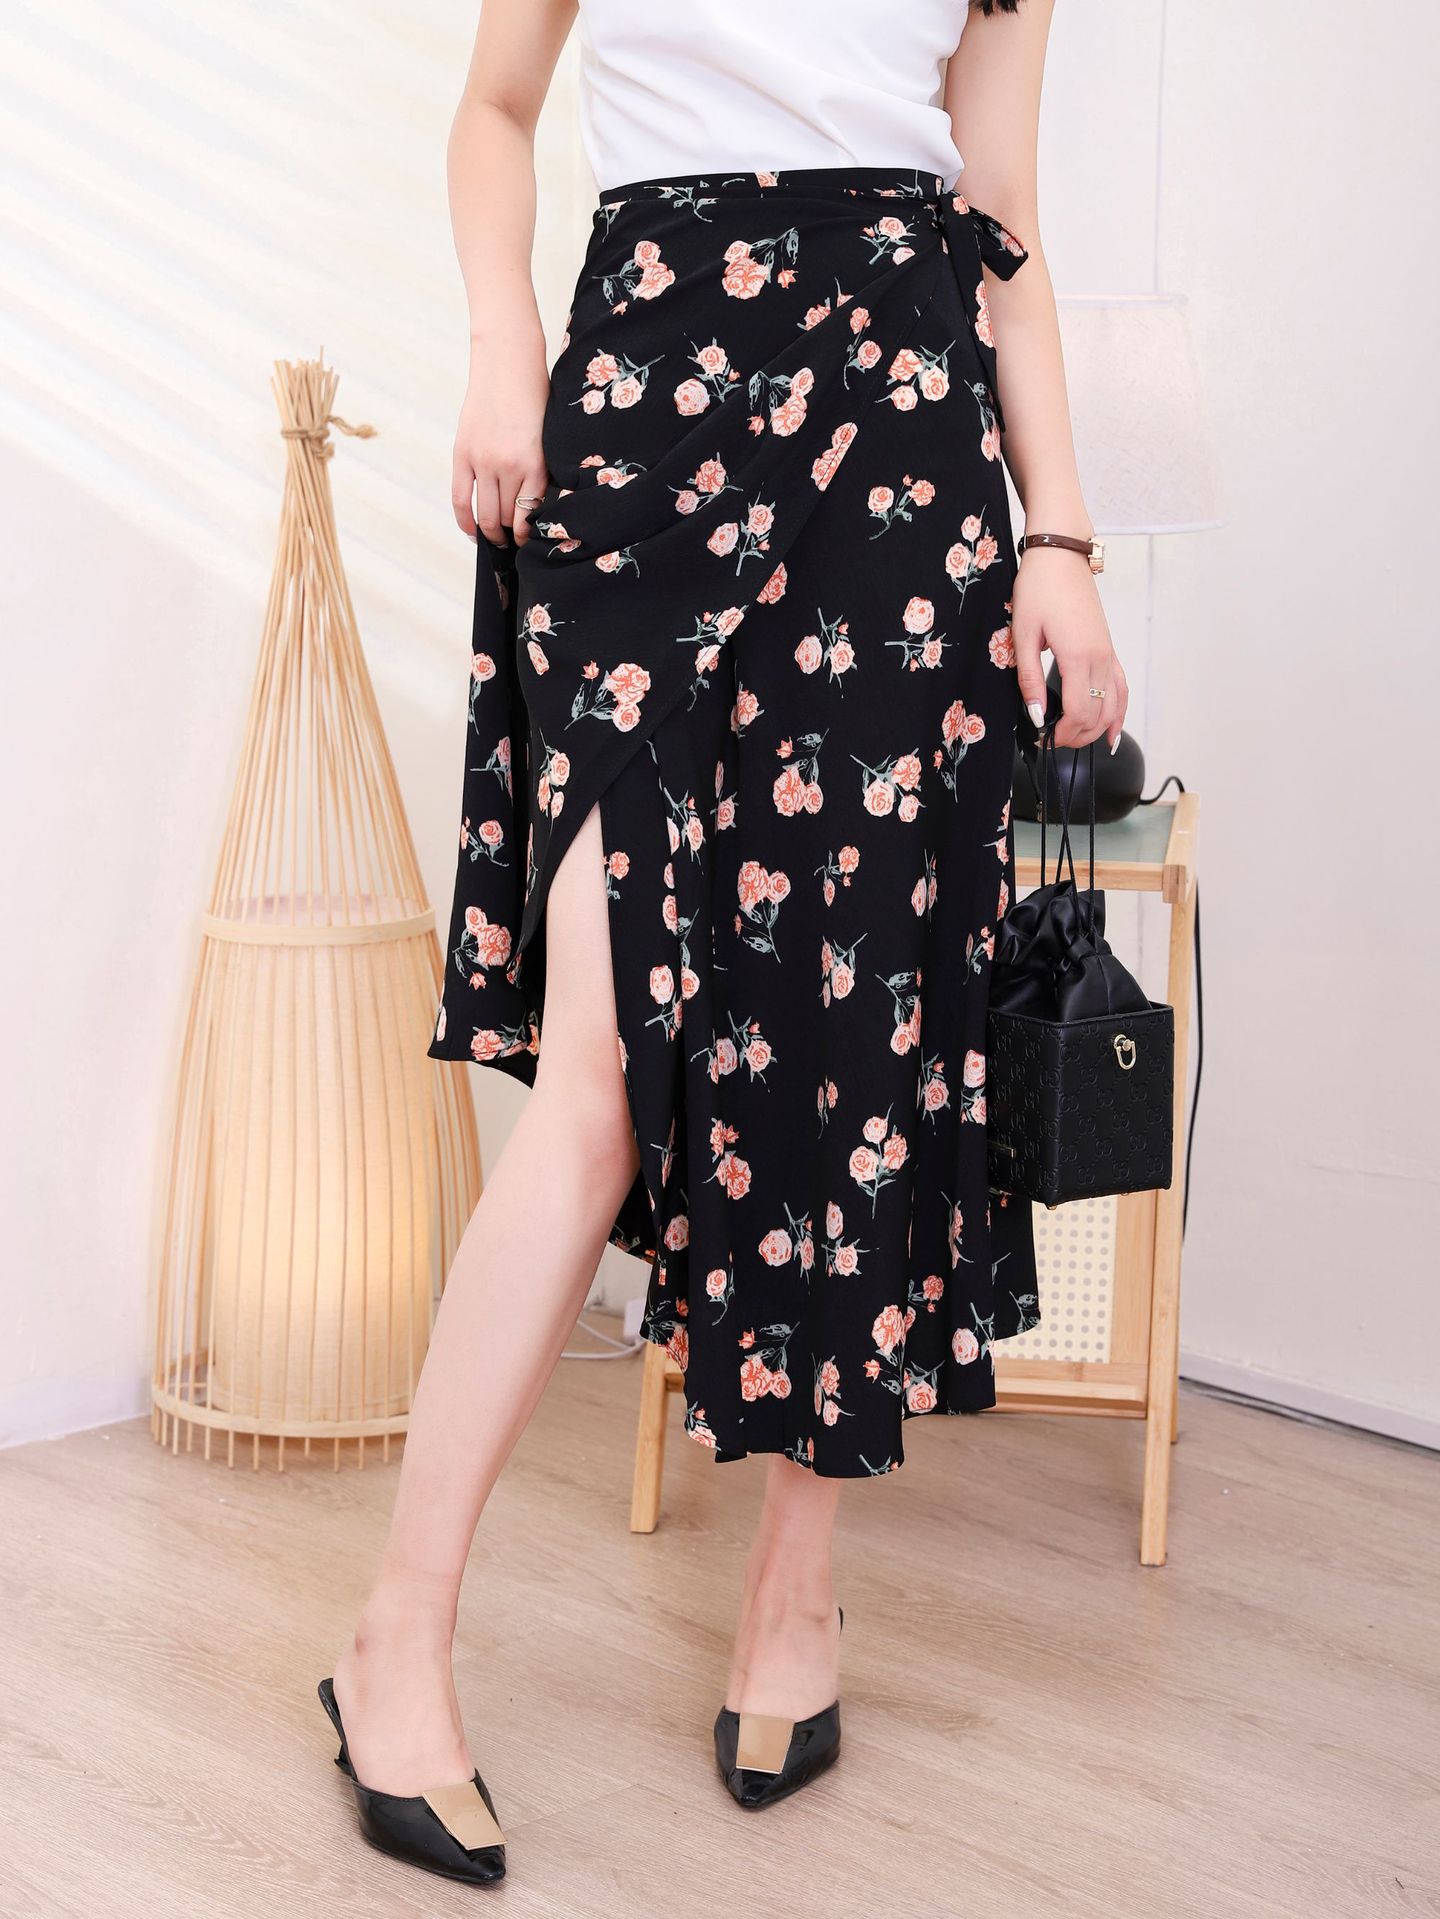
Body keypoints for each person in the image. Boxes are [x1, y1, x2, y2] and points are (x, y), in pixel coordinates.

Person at [319, 0, 1126, 1884]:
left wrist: (1062, 541)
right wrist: (504, 346)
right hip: (646, 412)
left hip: (904, 443)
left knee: (850, 1049)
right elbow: (497, 104)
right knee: (601, 1078)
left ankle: (795, 1593)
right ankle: (393, 1639)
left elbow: (1000, 210)